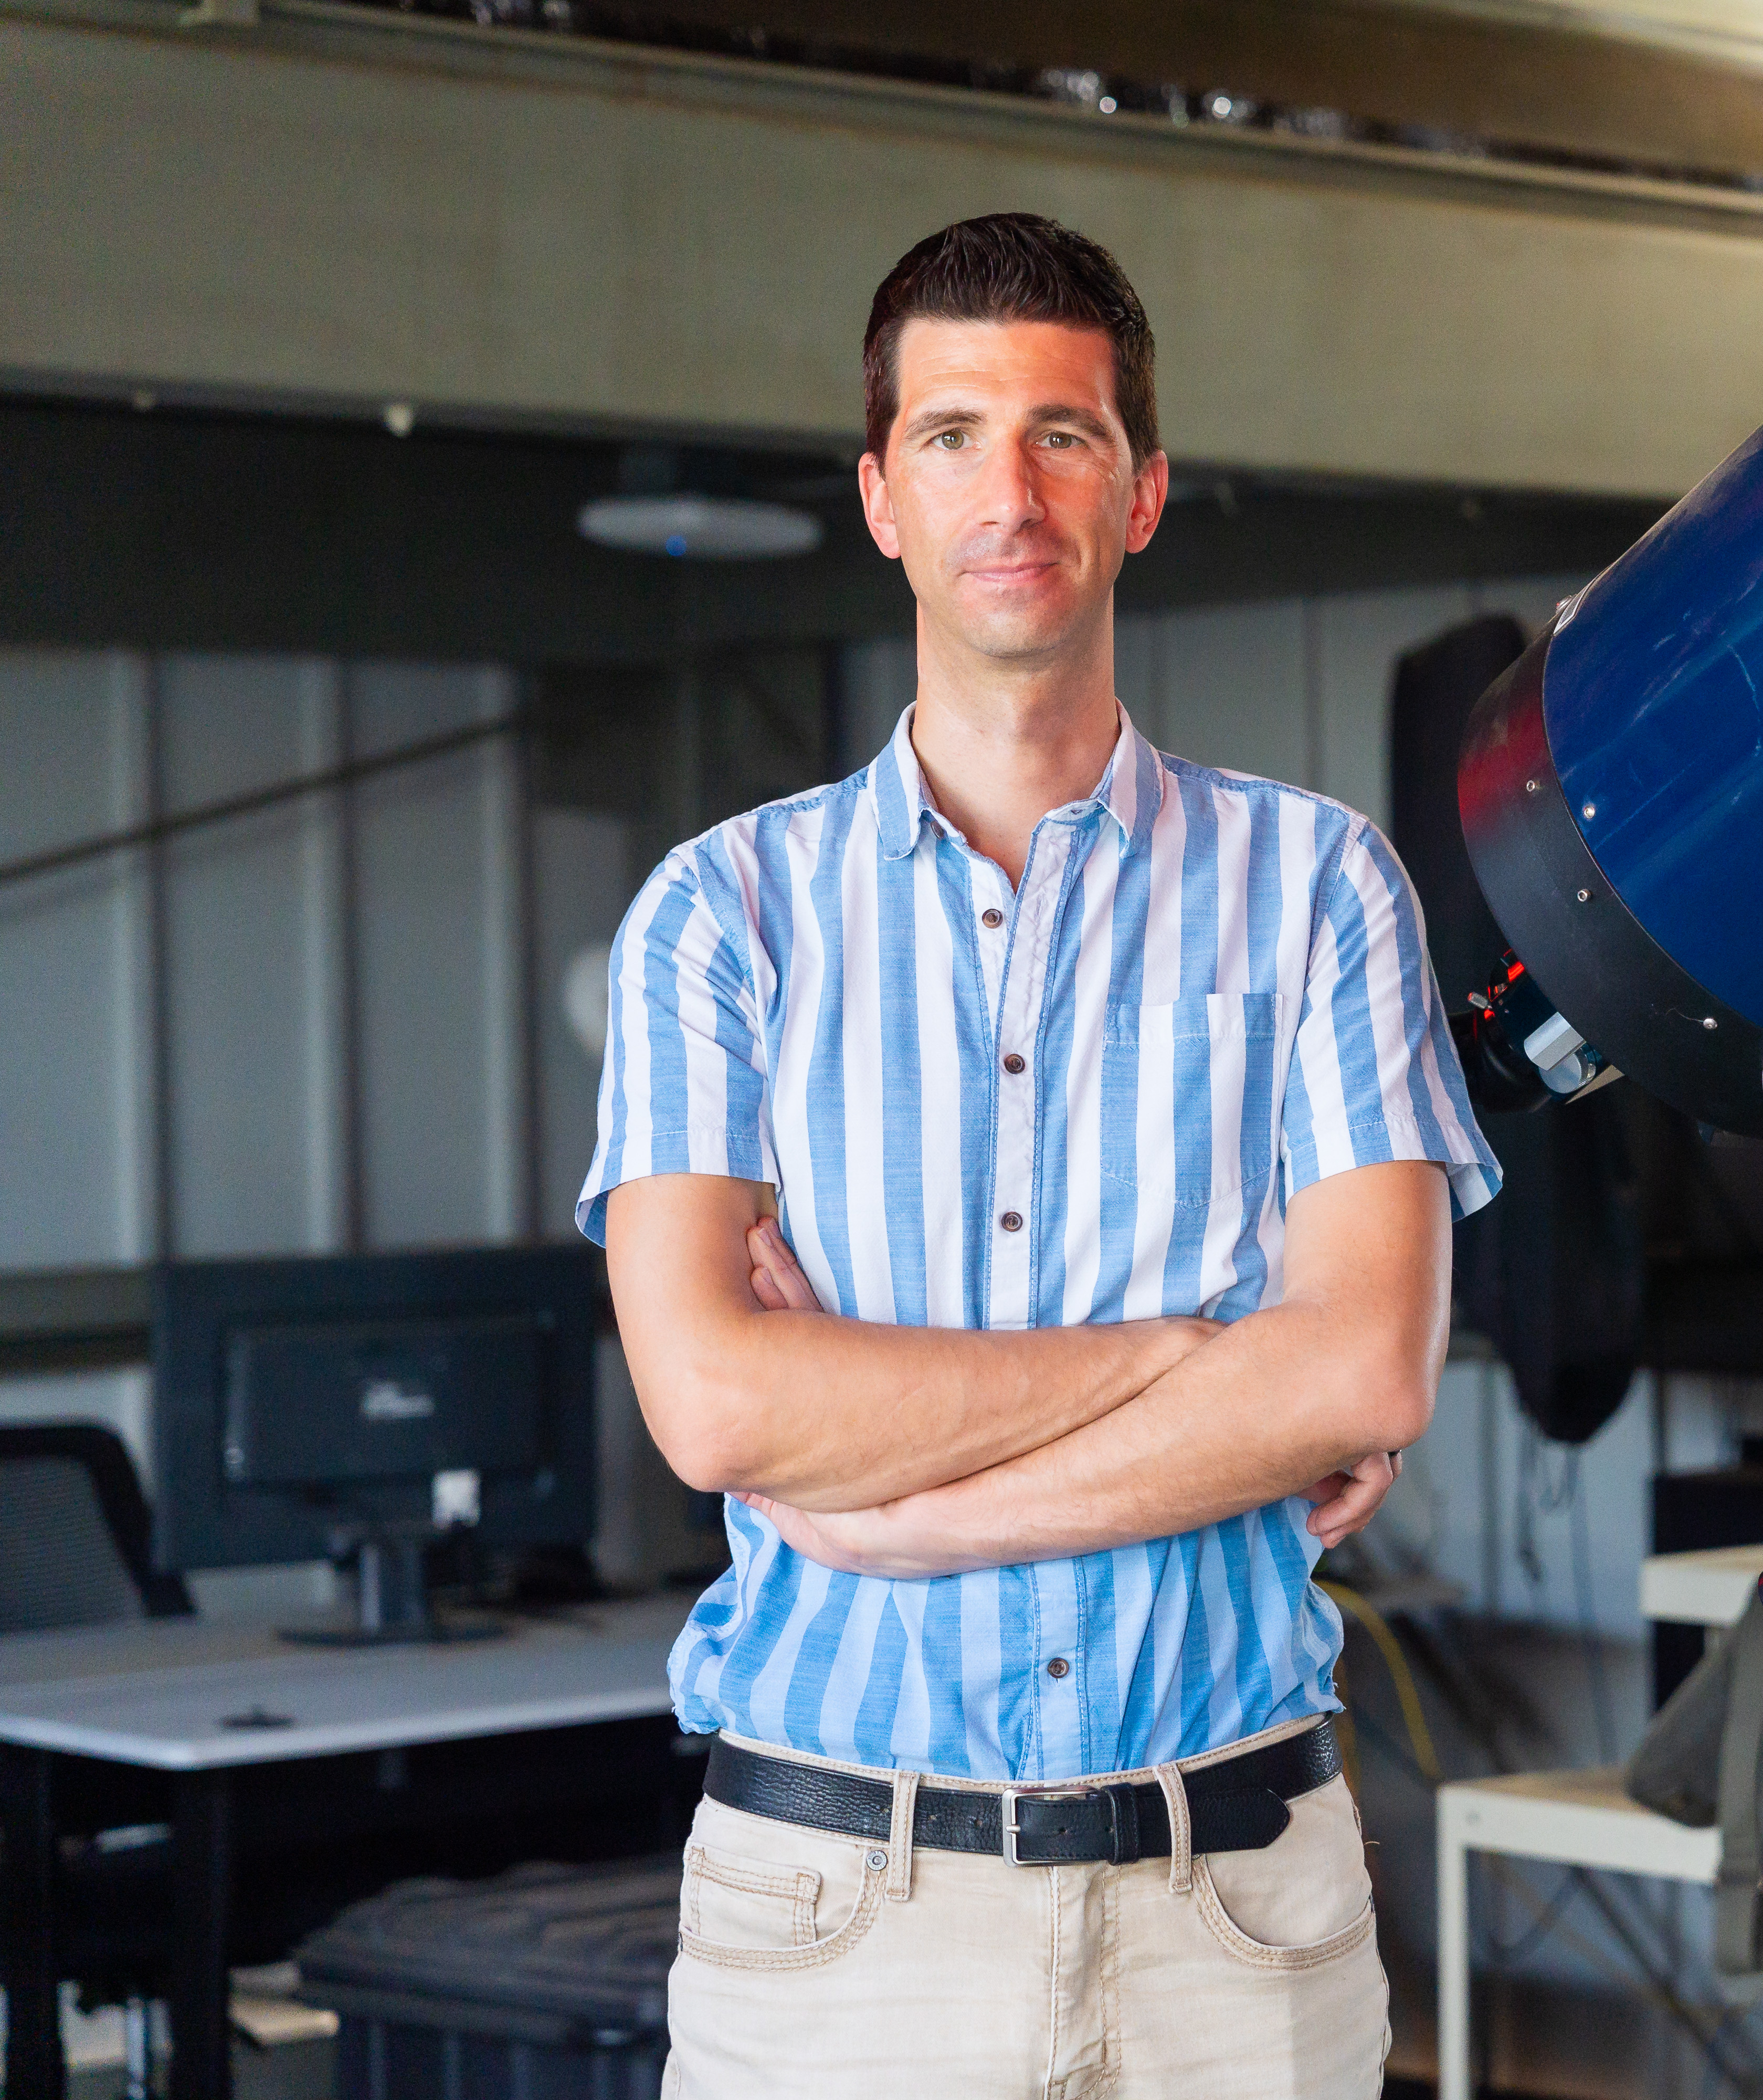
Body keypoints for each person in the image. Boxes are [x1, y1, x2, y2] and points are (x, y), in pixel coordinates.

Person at [582, 212, 1498, 2099]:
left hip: (1236, 1922)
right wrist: (1192, 1358)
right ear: (880, 497)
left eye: (1064, 435)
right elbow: (719, 1412)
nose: (1011, 490)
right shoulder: (719, 917)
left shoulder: (1319, 887)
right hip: (837, 1924)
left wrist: (883, 1508)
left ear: (1143, 493)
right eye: (952, 434)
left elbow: (1358, 1368)